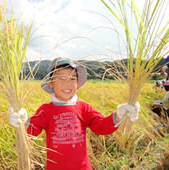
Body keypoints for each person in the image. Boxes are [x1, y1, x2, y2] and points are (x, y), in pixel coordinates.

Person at [8, 57, 140, 170]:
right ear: (51, 83)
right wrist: (22, 121)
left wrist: (119, 114)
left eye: (72, 78)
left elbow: (101, 127)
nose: (67, 83)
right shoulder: (45, 110)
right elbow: (31, 132)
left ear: (77, 83)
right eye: (61, 78)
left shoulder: (83, 108)